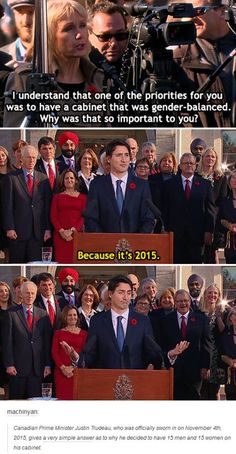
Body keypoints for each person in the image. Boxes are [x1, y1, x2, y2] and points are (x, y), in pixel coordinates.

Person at [3, 0, 105, 127]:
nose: (79, 35)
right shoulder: (25, 80)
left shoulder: (100, 78)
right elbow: (14, 134)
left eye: (83, 25)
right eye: (69, 28)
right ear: (49, 36)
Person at [62, 275, 188, 371]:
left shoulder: (142, 321)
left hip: (135, 384)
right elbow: (89, 355)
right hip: (105, 384)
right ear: (110, 294)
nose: (125, 297)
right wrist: (75, 357)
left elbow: (153, 353)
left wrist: (170, 355)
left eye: (128, 293)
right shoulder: (98, 321)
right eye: (121, 292)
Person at [173, 0, 235, 127]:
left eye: (197, 11)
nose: (191, 18)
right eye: (187, 11)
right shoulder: (178, 58)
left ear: (223, 11)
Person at [84, 139, 155, 233]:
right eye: (119, 155)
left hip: (135, 245)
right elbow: (90, 219)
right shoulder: (97, 185)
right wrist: (104, 240)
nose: (124, 159)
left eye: (126, 155)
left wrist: (136, 241)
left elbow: (148, 219)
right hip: (105, 245)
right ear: (108, 159)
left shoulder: (141, 186)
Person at [1, 145, 52, 263]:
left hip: (37, 233)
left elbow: (47, 206)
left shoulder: (43, 179)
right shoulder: (11, 178)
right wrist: (9, 228)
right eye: (28, 157)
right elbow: (7, 206)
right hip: (17, 233)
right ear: (21, 159)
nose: (31, 160)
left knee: (35, 262)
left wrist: (48, 229)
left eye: (34, 157)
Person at [2, 281, 51, 399]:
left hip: (37, 369)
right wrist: (9, 364)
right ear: (21, 294)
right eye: (27, 293)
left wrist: (47, 365)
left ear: (36, 294)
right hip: (17, 369)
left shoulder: (43, 315)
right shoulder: (11, 313)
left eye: (32, 293)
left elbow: (47, 342)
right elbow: (7, 342)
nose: (30, 296)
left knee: (36, 404)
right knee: (17, 405)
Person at [163, 152, 216, 263]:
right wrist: (166, 229)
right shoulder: (169, 184)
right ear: (180, 166)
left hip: (197, 234)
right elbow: (165, 209)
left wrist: (209, 231)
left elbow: (210, 210)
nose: (189, 165)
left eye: (191, 163)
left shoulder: (205, 185)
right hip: (176, 234)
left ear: (196, 166)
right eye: (186, 163)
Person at [159, 289, 211, 400]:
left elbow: (207, 344)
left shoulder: (201, 319)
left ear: (190, 302)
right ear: (175, 303)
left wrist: (205, 366)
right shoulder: (165, 321)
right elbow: (162, 345)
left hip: (195, 371)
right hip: (174, 371)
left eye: (185, 300)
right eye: (179, 301)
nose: (183, 303)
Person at [197, 147, 228, 263]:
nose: (210, 158)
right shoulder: (196, 175)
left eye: (213, 156)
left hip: (213, 219)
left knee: (211, 254)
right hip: (197, 217)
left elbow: (222, 199)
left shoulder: (221, 178)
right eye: (207, 156)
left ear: (216, 160)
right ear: (203, 158)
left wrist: (214, 218)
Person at [50, 169, 87, 263]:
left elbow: (83, 216)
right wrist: (62, 231)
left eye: (71, 178)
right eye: (66, 178)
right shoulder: (57, 197)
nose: (69, 180)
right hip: (60, 236)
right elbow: (53, 216)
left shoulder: (83, 198)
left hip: (76, 235)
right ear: (63, 181)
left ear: (76, 180)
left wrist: (72, 231)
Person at [52, 305, 87, 400]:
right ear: (65, 317)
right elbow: (54, 352)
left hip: (77, 372)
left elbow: (85, 353)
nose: (73, 317)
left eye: (75, 315)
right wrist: (63, 368)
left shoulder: (84, 334)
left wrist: (73, 368)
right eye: (69, 315)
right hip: (61, 372)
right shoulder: (58, 333)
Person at [200, 284, 225, 400]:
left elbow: (223, 331)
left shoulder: (224, 312)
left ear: (219, 296)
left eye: (215, 293)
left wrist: (218, 316)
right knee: (203, 391)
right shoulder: (199, 313)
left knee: (215, 392)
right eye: (209, 292)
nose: (212, 295)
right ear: (205, 295)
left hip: (217, 357)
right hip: (203, 354)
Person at [88, 2, 129, 71]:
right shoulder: (77, 71)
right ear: (88, 34)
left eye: (120, 35)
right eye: (105, 36)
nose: (113, 43)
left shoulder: (137, 66)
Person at [149, 151, 177, 232]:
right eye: (164, 160)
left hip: (173, 219)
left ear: (174, 164)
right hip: (155, 219)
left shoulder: (178, 180)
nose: (166, 163)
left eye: (169, 161)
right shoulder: (151, 179)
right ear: (160, 163)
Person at [217, 170, 236, 263]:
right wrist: (228, 226)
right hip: (230, 246)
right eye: (233, 178)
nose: (235, 180)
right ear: (229, 182)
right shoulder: (224, 202)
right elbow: (219, 221)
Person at [0, 281, 13, 398]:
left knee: (10, 386)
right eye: (1, 291)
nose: (4, 293)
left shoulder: (15, 310)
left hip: (12, 354)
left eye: (6, 290)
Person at [221, 307, 236, 400]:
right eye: (235, 315)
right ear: (230, 318)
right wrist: (230, 361)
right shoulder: (225, 335)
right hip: (231, 377)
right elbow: (221, 354)